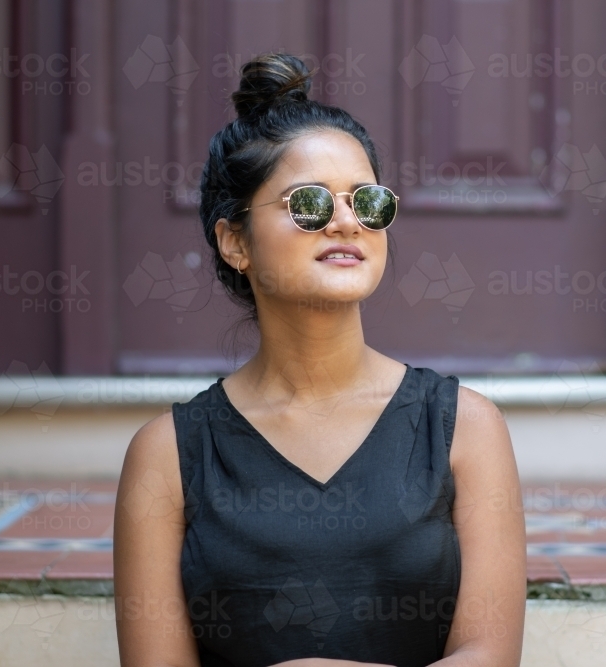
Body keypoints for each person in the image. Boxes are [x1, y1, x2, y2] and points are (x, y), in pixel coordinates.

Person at [113, 52, 525, 667]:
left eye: (369, 202)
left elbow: (490, 656)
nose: (346, 222)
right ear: (235, 242)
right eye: (308, 202)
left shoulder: (463, 427)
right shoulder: (169, 454)